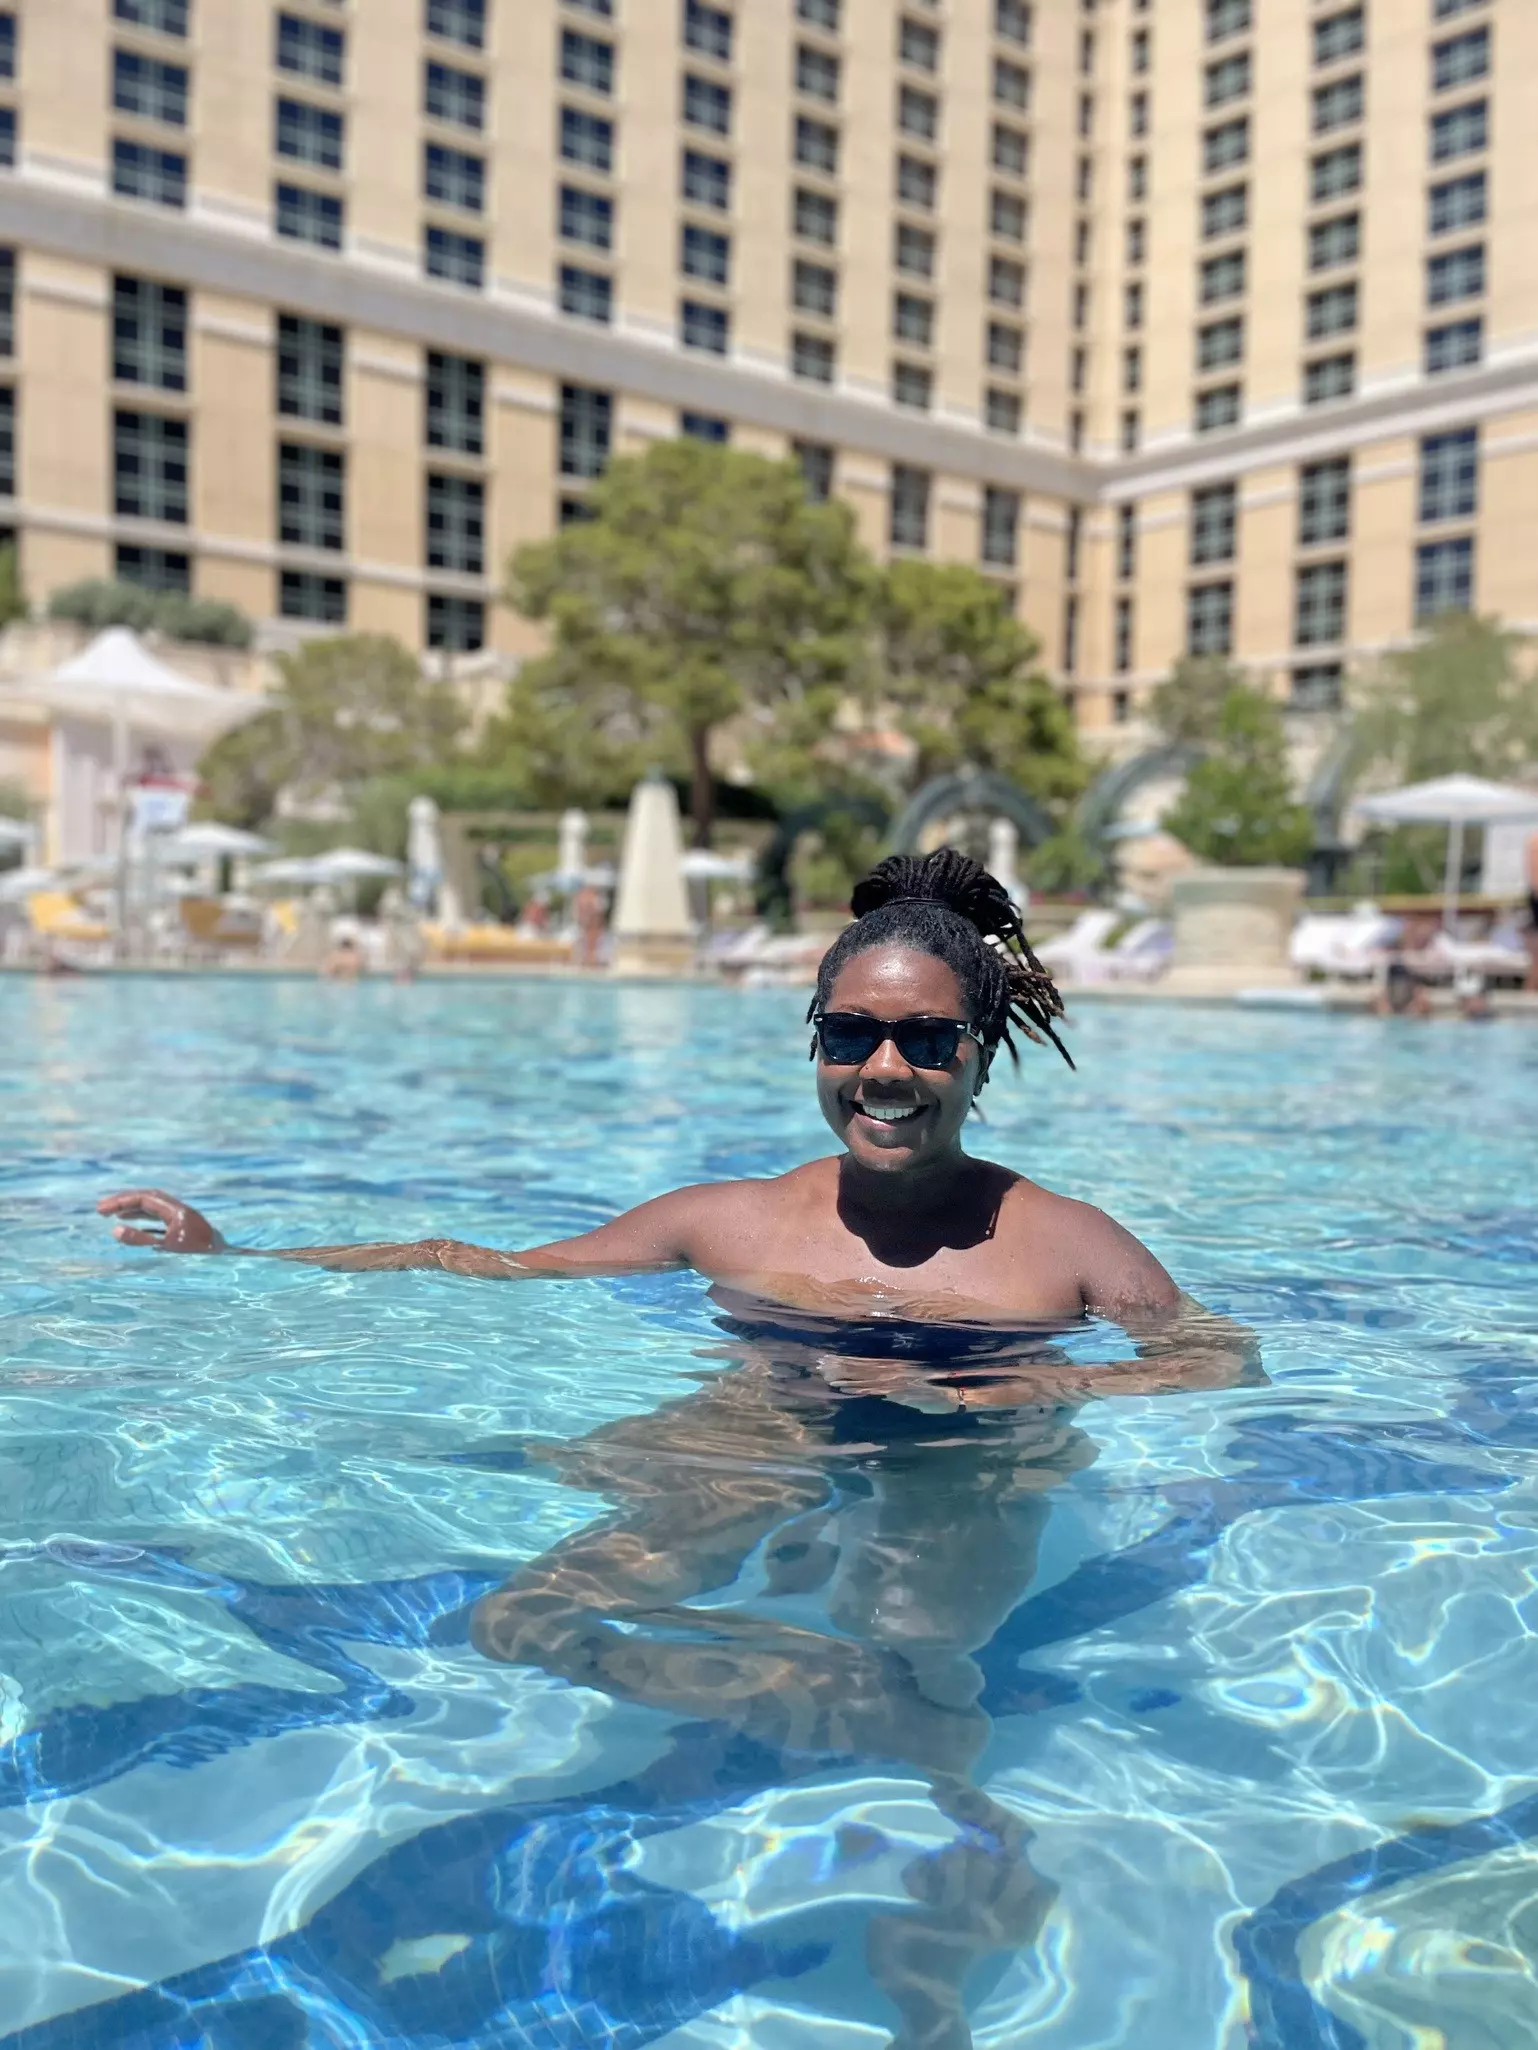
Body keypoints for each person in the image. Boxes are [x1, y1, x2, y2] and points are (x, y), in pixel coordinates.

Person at [98, 850, 1255, 2047]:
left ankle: (940, 1930)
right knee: (520, 1620)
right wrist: (230, 1257)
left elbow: (1214, 1359)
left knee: (931, 1694)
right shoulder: (732, 1221)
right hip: (760, 1431)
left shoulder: (1058, 1242)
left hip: (963, 1467)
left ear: (979, 1048)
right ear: (815, 1041)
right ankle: (812, 1683)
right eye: (850, 1033)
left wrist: (1011, 1382)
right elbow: (484, 1264)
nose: (885, 1069)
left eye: (926, 1039)